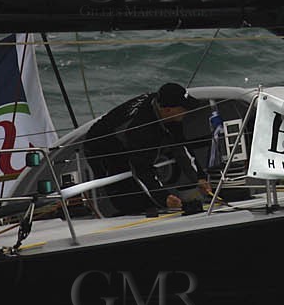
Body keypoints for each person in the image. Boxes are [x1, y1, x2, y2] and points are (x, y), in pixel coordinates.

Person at [80, 82, 213, 216]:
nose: (187, 111)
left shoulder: (165, 107)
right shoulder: (142, 130)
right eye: (184, 108)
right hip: (101, 147)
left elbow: (181, 146)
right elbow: (142, 169)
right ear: (168, 110)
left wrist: (199, 178)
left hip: (129, 140)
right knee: (128, 197)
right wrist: (163, 198)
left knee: (146, 188)